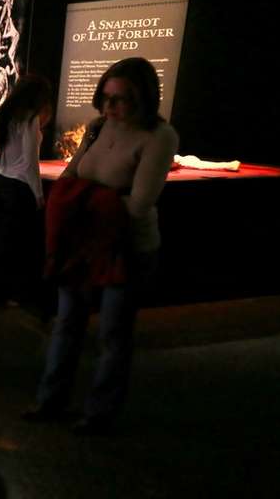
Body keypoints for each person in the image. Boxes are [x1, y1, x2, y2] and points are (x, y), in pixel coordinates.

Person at [25, 57, 178, 434]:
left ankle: (99, 414)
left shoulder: (159, 137)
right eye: (106, 97)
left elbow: (139, 204)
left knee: (113, 332)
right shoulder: (97, 126)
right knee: (67, 323)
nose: (110, 107)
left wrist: (87, 199)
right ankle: (50, 400)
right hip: (83, 241)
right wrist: (97, 198)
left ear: (143, 99)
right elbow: (71, 174)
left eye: (121, 99)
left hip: (126, 246)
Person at [0, 74, 53, 306]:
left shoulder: (6, 114)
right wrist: (39, 195)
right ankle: (4, 294)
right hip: (20, 188)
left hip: (2, 181)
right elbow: (31, 161)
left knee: (2, 241)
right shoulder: (29, 119)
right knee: (16, 245)